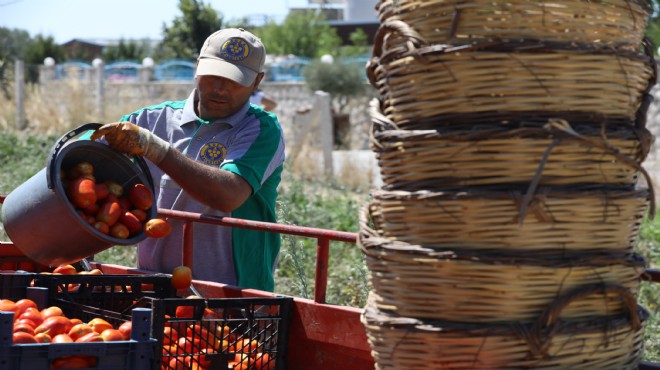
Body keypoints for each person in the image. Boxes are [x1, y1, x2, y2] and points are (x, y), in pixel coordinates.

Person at [90, 28, 285, 292]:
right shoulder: (148, 120)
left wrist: (156, 149)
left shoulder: (260, 130)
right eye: (212, 75)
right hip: (154, 283)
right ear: (197, 68)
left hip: (232, 294)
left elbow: (228, 194)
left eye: (234, 80)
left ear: (257, 81)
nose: (220, 88)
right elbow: (86, 170)